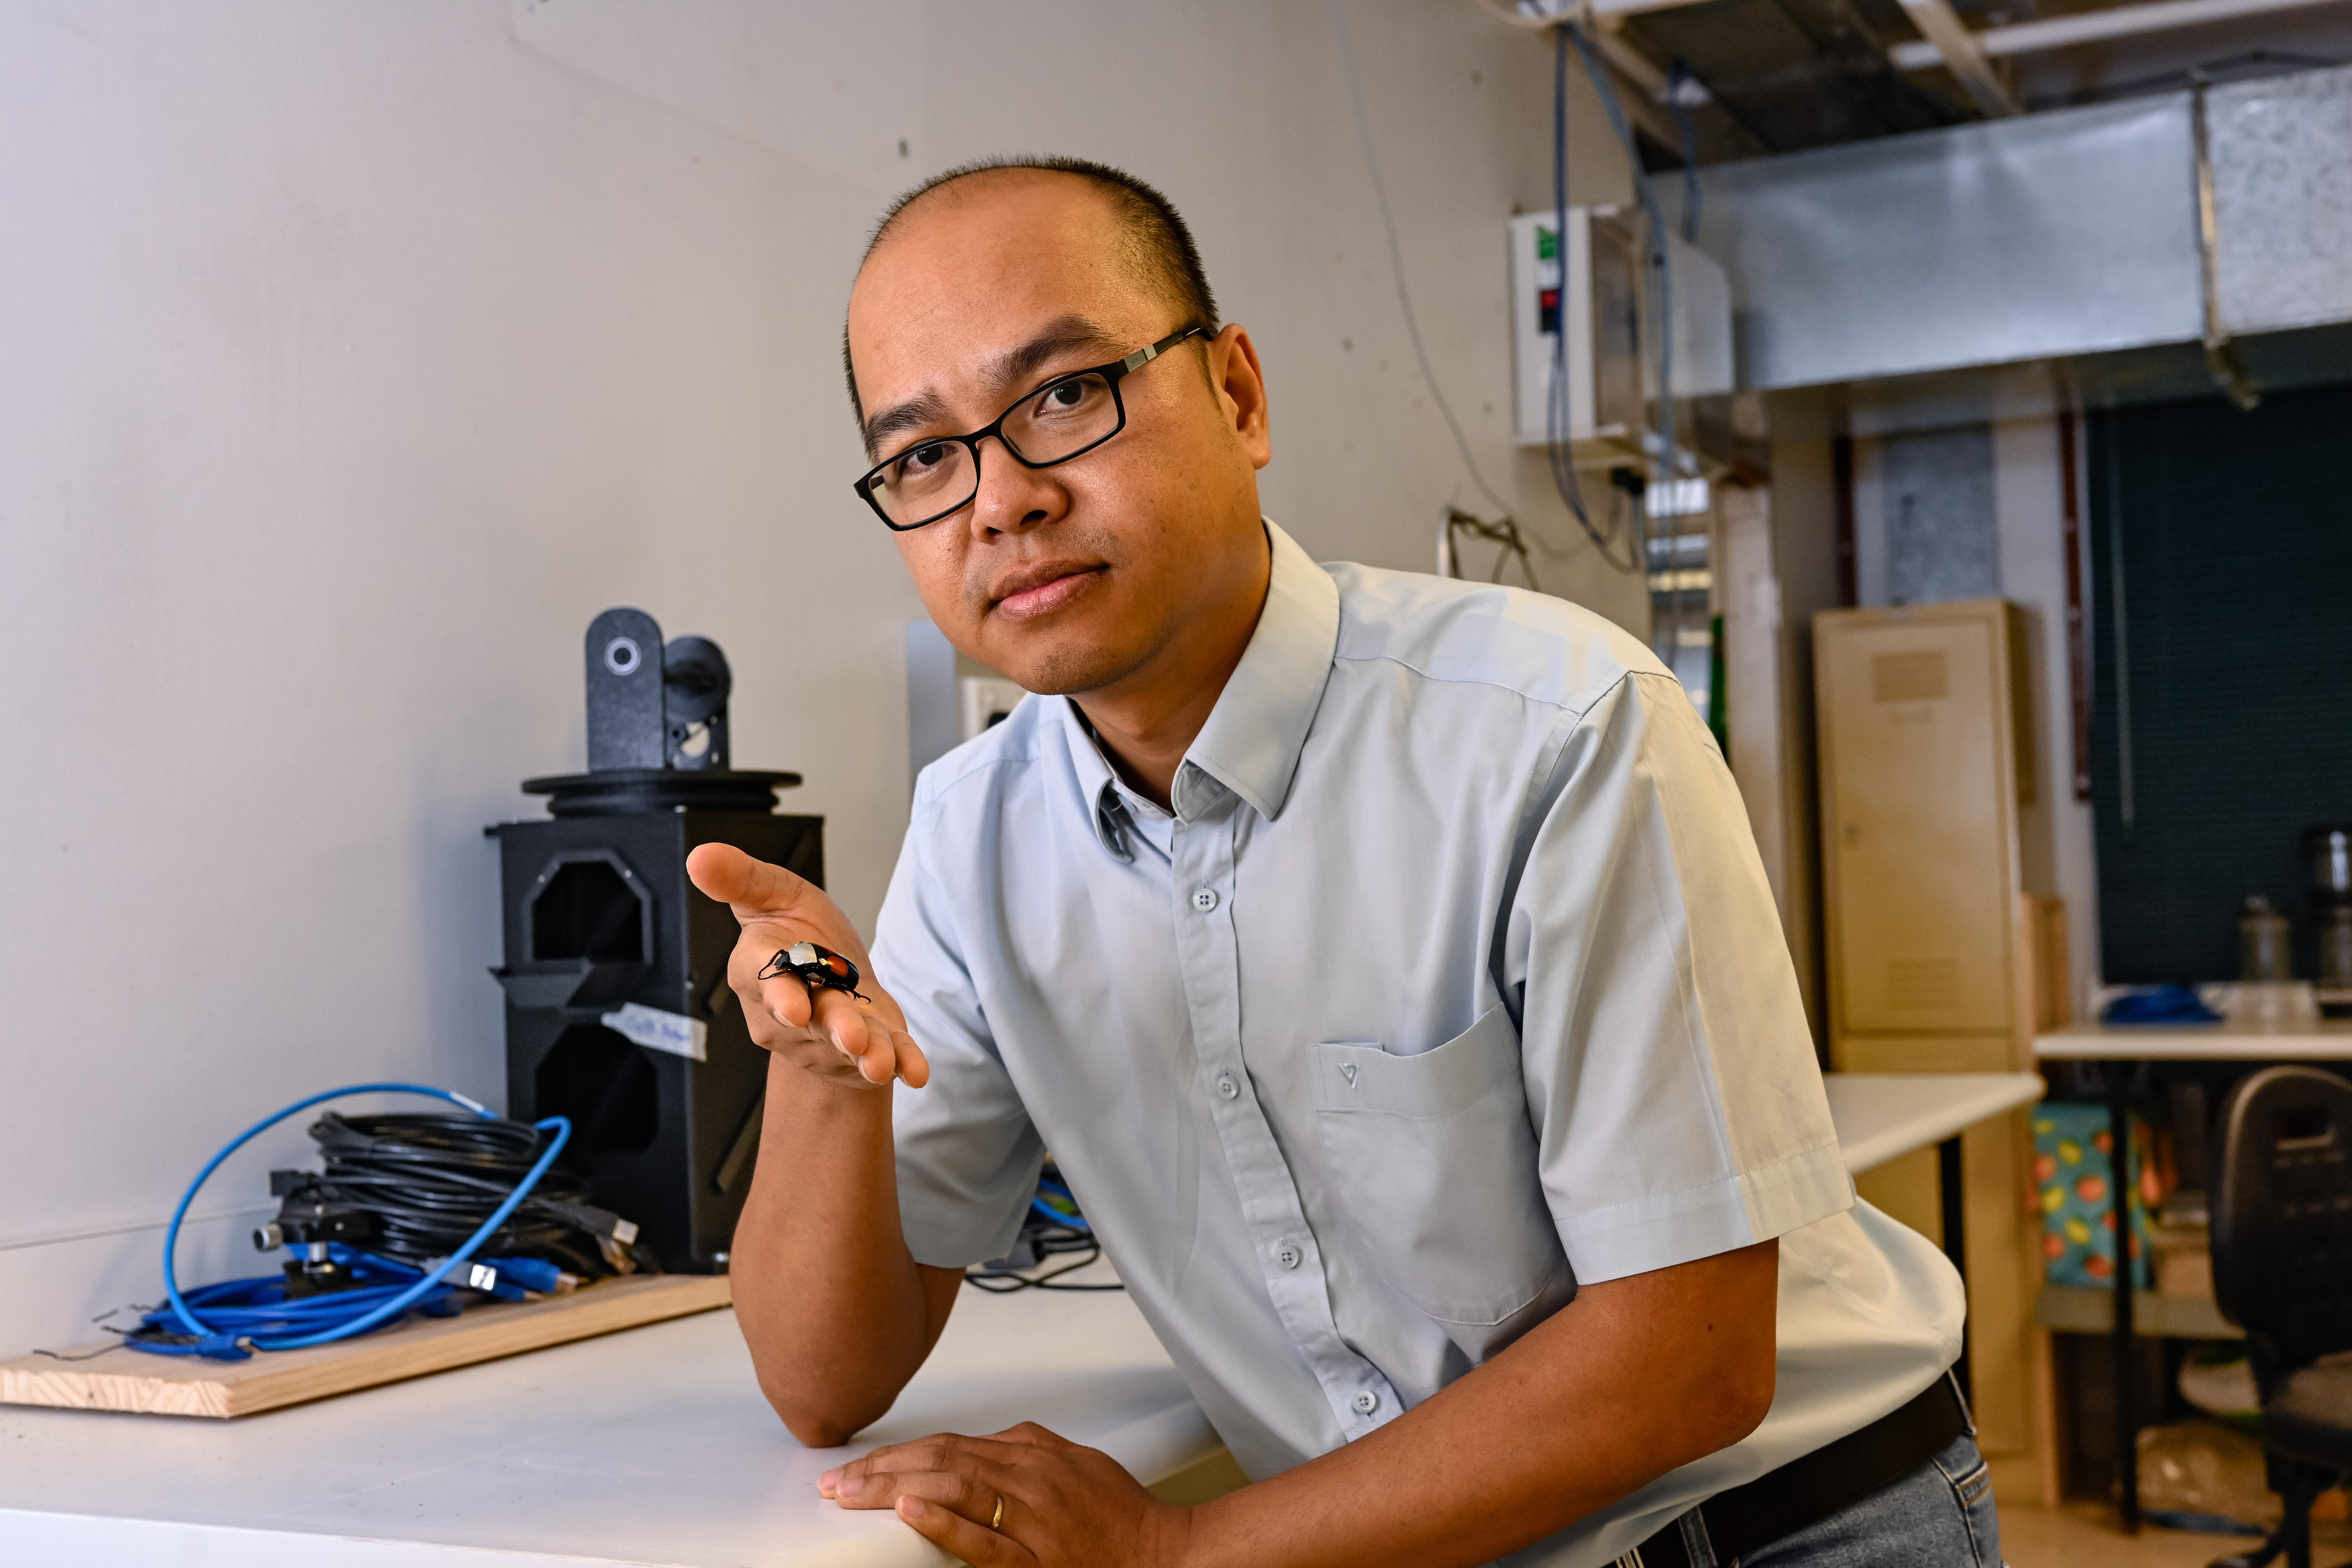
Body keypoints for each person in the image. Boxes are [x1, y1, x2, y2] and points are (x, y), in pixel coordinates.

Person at [685, 156, 1993, 1568]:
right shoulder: (973, 838)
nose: (1000, 501)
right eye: (924, 457)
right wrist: (819, 1073)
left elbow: (1690, 1360)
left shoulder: (1560, 729)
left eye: (1064, 394)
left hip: (1788, 1529)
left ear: (1238, 396)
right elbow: (824, 1384)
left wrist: (1178, 1555)